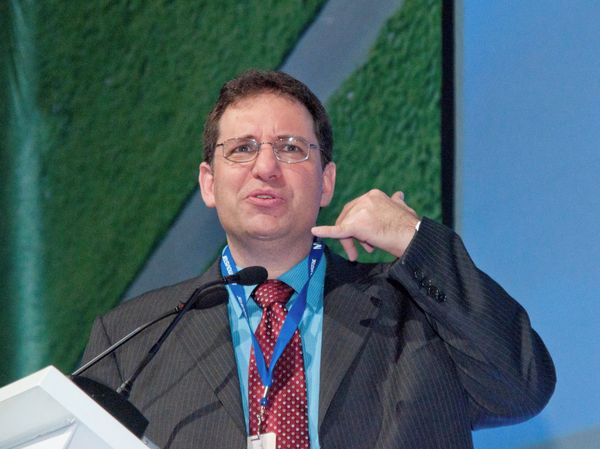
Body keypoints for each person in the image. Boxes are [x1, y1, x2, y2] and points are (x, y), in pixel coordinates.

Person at [81, 70, 555, 449]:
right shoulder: (129, 340)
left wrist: (413, 239)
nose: (266, 167)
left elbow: (522, 387)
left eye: (290, 148)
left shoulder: (415, 309)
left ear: (326, 183)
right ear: (209, 183)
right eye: (243, 149)